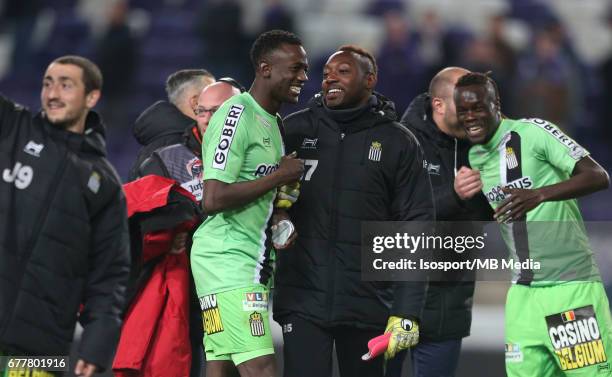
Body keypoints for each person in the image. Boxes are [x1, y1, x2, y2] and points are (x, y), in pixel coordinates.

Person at [273, 45, 434, 377]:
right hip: (303, 299)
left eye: (342, 72)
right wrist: (278, 212)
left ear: (370, 79)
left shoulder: (398, 142)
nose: (330, 78)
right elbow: (263, 204)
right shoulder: (295, 131)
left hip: (372, 304)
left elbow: (416, 227)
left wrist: (407, 310)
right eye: (327, 73)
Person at [454, 72, 612, 377]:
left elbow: (598, 176)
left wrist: (540, 194)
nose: (470, 117)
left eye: (477, 108)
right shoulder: (473, 157)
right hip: (523, 296)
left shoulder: (534, 132)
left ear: (495, 104)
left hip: (569, 287)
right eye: (464, 111)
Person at [0, 55, 130, 377]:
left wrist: (97, 343)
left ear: (92, 97)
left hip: (41, 354)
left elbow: (110, 274)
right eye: (47, 83)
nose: (53, 93)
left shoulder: (105, 186)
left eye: (65, 85)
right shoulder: (10, 128)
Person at [191, 29, 307, 377]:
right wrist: (279, 177)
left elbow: (254, 186)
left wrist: (277, 216)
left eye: (305, 68)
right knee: (261, 367)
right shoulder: (236, 114)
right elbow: (212, 198)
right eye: (296, 68)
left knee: (221, 364)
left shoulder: (272, 121)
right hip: (227, 259)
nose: (303, 77)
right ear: (266, 68)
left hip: (245, 257)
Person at [392, 67, 493, 377]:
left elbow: (489, 215)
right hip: (391, 301)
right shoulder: (398, 141)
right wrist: (453, 194)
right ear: (438, 105)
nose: (471, 112)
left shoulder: (484, 144)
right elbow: (391, 216)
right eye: (462, 104)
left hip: (449, 299)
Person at [129, 69, 215, 180]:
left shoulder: (156, 148)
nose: (220, 103)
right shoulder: (179, 148)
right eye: (213, 96)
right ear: (195, 103)